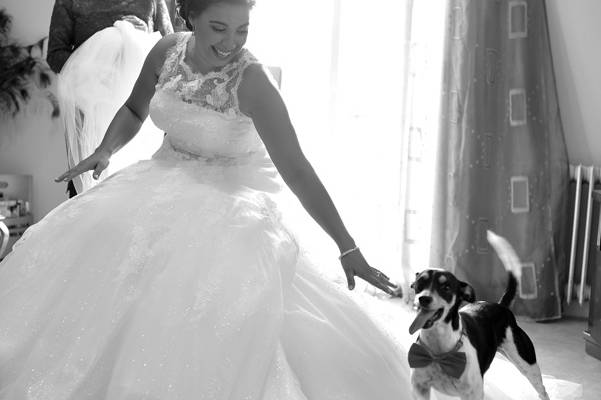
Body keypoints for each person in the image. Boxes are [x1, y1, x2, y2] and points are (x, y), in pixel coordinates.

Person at [47, 0, 174, 197]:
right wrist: (99, 57)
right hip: (90, 111)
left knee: (139, 191)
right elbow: (55, 55)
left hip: (140, 111)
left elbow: (172, 52)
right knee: (90, 191)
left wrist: (144, 36)